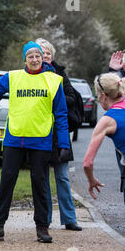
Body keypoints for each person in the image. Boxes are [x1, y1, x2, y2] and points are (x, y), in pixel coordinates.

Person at [0, 41, 70, 243]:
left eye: (38, 56)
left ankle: (42, 228)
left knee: (40, 185)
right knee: (6, 183)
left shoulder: (54, 81)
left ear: (43, 58)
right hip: (14, 139)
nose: (35, 59)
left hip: (41, 141)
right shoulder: (13, 77)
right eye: (30, 56)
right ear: (24, 59)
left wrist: (63, 145)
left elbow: (61, 115)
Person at [83, 73, 125, 248]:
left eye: (98, 96)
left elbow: (87, 162)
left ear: (103, 96)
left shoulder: (107, 120)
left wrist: (91, 181)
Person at [35, 38, 82, 231]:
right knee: (42, 179)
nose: (44, 56)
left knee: (62, 177)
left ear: (51, 56)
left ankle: (69, 218)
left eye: (47, 53)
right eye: (41, 53)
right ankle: (44, 219)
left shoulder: (60, 74)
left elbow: (71, 97)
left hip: (59, 132)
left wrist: (55, 96)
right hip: (39, 132)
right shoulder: (29, 75)